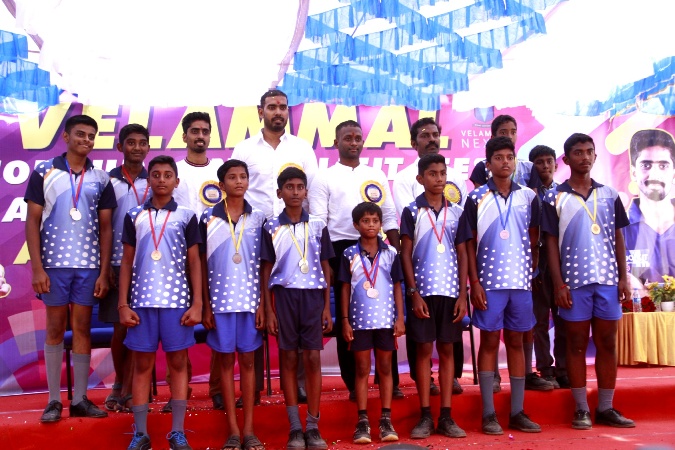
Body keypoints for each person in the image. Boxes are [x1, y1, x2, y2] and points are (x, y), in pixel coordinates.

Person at [25, 114, 115, 423]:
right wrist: (37, 269)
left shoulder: (100, 178)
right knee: (54, 329)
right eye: (80, 134)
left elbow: (106, 228)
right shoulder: (44, 172)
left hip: (88, 267)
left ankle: (79, 399)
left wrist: (103, 271)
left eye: (91, 136)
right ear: (66, 136)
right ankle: (53, 400)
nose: (86, 140)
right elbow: (32, 221)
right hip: (53, 266)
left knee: (82, 330)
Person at [542, 133, 635, 430]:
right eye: (578, 152)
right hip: (573, 284)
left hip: (607, 281)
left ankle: (606, 407)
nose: (585, 157)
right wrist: (559, 284)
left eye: (589, 151)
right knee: (576, 344)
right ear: (566, 159)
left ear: (595, 156)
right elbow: (550, 243)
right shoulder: (553, 197)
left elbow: (619, 237)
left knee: (607, 343)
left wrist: (623, 277)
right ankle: (581, 409)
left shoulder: (609, 194)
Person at [231, 89, 318, 404]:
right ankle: (252, 386)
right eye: (272, 107)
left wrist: (311, 234)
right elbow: (236, 190)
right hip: (251, 234)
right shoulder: (244, 149)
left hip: (294, 235)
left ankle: (298, 385)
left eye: (283, 107)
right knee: (253, 305)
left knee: (294, 305)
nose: (278, 112)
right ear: (261, 111)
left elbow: (312, 192)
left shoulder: (302, 148)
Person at [309, 120, 402, 400]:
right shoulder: (324, 177)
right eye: (347, 138)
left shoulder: (375, 174)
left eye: (357, 137)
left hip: (377, 249)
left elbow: (388, 216)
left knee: (383, 314)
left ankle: (390, 382)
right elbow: (319, 222)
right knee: (347, 319)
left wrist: (396, 251)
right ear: (336, 143)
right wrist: (326, 260)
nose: (353, 142)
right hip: (340, 250)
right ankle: (353, 384)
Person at [119, 155, 202, 450]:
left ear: (176, 181)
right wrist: (123, 304)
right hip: (141, 302)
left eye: (168, 175)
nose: (162, 179)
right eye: (156, 174)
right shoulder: (134, 216)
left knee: (178, 364)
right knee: (142, 366)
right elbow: (126, 262)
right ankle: (140, 433)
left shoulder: (187, 216)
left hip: (176, 302)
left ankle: (177, 432)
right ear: (149, 179)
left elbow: (195, 262)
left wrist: (197, 303)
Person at [465, 136, 542, 435]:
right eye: (498, 157)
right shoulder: (476, 198)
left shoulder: (528, 197)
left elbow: (534, 239)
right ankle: (488, 414)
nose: (505, 162)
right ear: (488, 164)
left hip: (520, 284)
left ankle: (517, 412)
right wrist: (474, 282)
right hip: (489, 283)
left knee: (517, 342)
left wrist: (529, 273)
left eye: (509, 157)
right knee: (488, 343)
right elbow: (469, 244)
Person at [392, 117, 468, 397]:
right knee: (422, 343)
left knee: (449, 342)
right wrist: (413, 291)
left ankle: (452, 380)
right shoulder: (404, 180)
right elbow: (410, 225)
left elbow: (459, 228)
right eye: (425, 135)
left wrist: (464, 291)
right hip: (422, 276)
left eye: (436, 134)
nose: (432, 139)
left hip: (449, 281)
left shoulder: (456, 178)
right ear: (414, 142)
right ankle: (425, 385)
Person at [261, 167, 333, 450]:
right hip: (284, 297)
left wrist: (326, 307)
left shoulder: (317, 225)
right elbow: (266, 270)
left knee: (313, 358)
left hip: (313, 297)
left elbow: (326, 267)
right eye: (289, 187)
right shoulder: (271, 227)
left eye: (299, 187)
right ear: (279, 193)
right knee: (289, 359)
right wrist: (268, 310)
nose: (295, 192)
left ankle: (313, 426)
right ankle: (294, 428)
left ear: (306, 192)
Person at [400, 154, 470, 439]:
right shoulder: (411, 211)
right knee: (424, 351)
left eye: (442, 173)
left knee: (447, 349)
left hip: (450, 292)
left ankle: (447, 416)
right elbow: (405, 253)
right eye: (432, 173)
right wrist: (413, 293)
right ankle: (426, 415)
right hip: (423, 292)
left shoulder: (458, 212)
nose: (439, 179)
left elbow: (463, 254)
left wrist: (463, 294)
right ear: (420, 178)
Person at [200, 160, 266, 450]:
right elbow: (200, 266)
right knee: (226, 363)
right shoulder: (207, 219)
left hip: (250, 303)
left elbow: (265, 266)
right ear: (221, 185)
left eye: (243, 176)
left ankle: (249, 430)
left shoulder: (259, 218)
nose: (238, 181)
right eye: (232, 177)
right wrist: (205, 305)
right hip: (220, 304)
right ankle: (233, 431)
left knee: (249, 363)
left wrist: (263, 305)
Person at [170, 111, 226, 411]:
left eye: (205, 131)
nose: (200, 136)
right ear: (184, 136)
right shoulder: (174, 171)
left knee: (218, 322)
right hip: (179, 256)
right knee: (179, 323)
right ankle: (180, 389)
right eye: (194, 131)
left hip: (217, 255)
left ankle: (218, 388)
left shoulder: (221, 170)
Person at [339, 202, 405, 444]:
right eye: (365, 221)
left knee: (385, 368)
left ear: (381, 224)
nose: (371, 225)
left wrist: (400, 318)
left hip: (385, 321)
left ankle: (386, 420)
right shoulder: (349, 254)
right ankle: (362, 421)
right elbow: (344, 288)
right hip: (359, 322)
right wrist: (345, 321)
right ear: (356, 225)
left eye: (375, 221)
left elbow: (397, 287)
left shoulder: (391, 253)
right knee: (362, 369)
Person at [102, 124, 152, 413]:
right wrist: (105, 266)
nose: (137, 147)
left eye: (142, 143)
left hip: (149, 266)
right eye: (131, 142)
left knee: (140, 327)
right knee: (120, 327)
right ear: (120, 147)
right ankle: (119, 383)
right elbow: (102, 227)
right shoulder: (106, 181)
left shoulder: (155, 180)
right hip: (117, 264)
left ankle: (132, 389)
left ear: (148, 147)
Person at [528, 145, 569, 389]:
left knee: (563, 316)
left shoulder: (564, 193)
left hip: (561, 260)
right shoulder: (526, 194)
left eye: (549, 161)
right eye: (539, 162)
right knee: (540, 318)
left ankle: (563, 368)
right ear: (532, 167)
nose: (545, 166)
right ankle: (545, 367)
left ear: (556, 163)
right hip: (536, 260)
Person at [624, 129, 675, 291]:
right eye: (646, 165)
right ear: (633, 172)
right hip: (638, 308)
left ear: (674, 172)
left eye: (663, 165)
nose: (654, 173)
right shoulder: (619, 228)